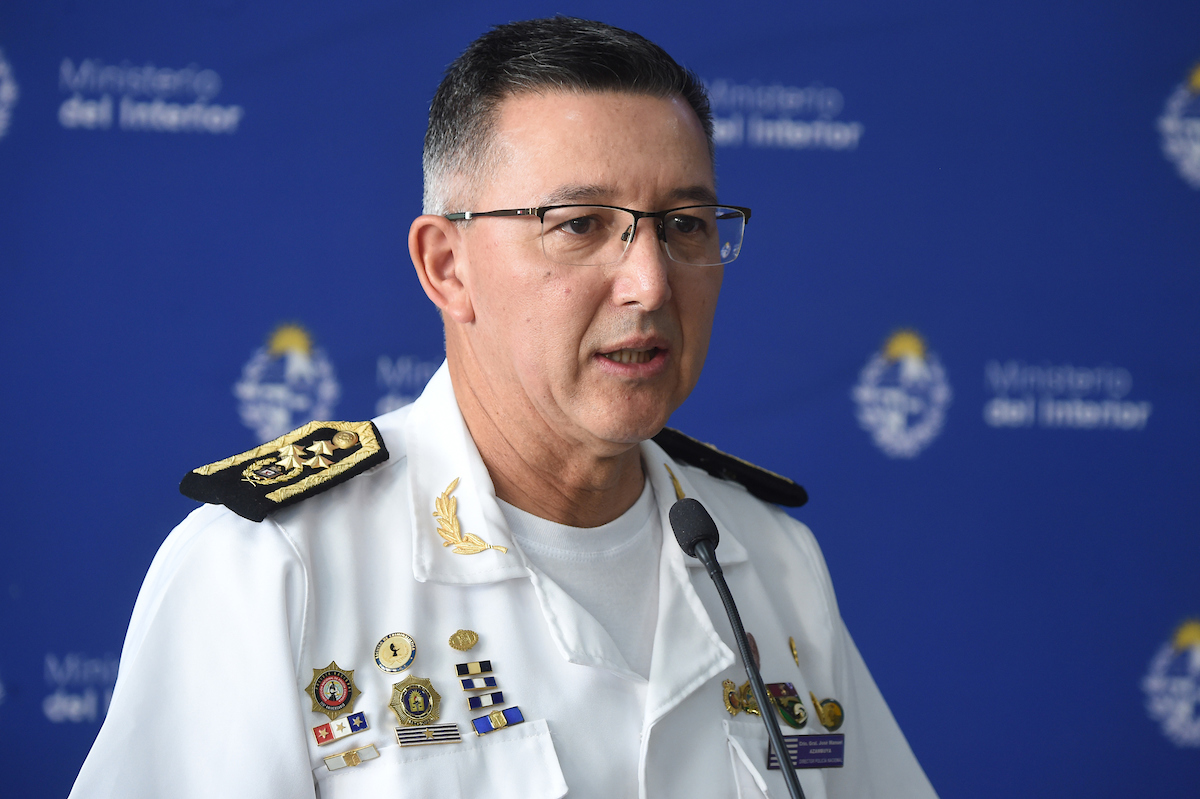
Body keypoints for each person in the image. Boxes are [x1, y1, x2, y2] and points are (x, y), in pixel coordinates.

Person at [70, 17, 937, 799]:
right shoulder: (272, 569)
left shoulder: (771, 557)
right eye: (581, 223)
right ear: (447, 266)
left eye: (685, 224)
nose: (650, 283)